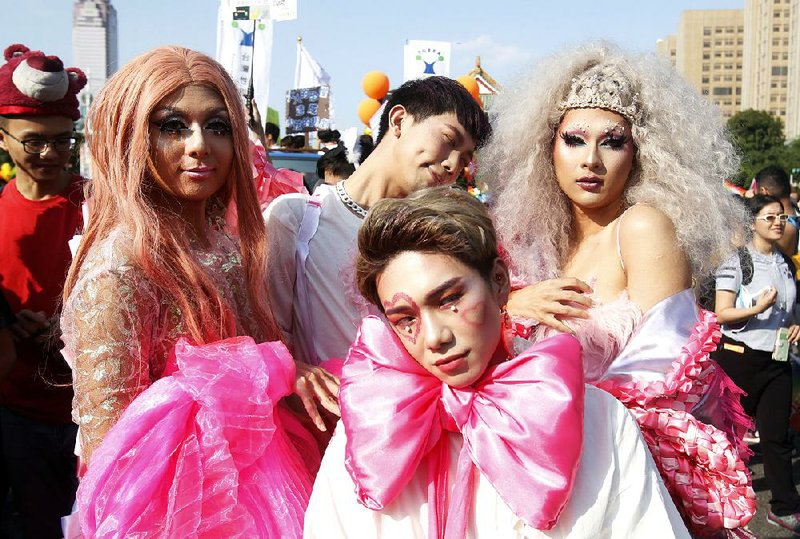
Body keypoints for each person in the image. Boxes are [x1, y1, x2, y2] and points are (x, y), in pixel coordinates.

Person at [305, 187, 689, 538]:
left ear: (499, 283)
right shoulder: (371, 431)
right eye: (406, 319)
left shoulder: (599, 420)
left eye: (449, 299)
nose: (434, 337)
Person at [484, 42, 756, 536]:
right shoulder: (531, 242)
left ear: (640, 151)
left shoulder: (643, 227)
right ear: (547, 147)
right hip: (527, 477)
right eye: (574, 140)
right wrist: (508, 307)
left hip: (617, 483)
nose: (591, 160)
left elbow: (664, 379)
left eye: (612, 141)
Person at [59, 47, 314, 538]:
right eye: (173, 126)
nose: (200, 145)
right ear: (131, 138)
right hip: (175, 513)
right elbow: (113, 452)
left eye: (218, 126)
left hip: (263, 488)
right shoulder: (119, 268)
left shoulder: (229, 248)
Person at [263, 76, 491, 431]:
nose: (453, 165)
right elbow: (266, 331)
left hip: (409, 434)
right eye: (448, 141)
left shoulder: (434, 239)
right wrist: (290, 368)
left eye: (464, 158)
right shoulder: (297, 219)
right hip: (317, 437)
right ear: (399, 120)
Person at [0, 43, 86, 538]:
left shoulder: (98, 206)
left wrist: (73, 328)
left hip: (88, 412)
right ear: (5, 140)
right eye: (34, 141)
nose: (50, 154)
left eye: (62, 140)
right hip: (17, 409)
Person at [713, 194, 800, 534]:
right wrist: (755, 309)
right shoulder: (736, 263)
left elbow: (792, 310)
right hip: (739, 359)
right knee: (729, 438)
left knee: (778, 437)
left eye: (782, 217)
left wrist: (795, 325)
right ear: (753, 223)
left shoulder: (786, 262)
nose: (779, 222)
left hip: (776, 361)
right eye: (770, 217)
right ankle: (720, 505)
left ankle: (784, 507)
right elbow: (722, 313)